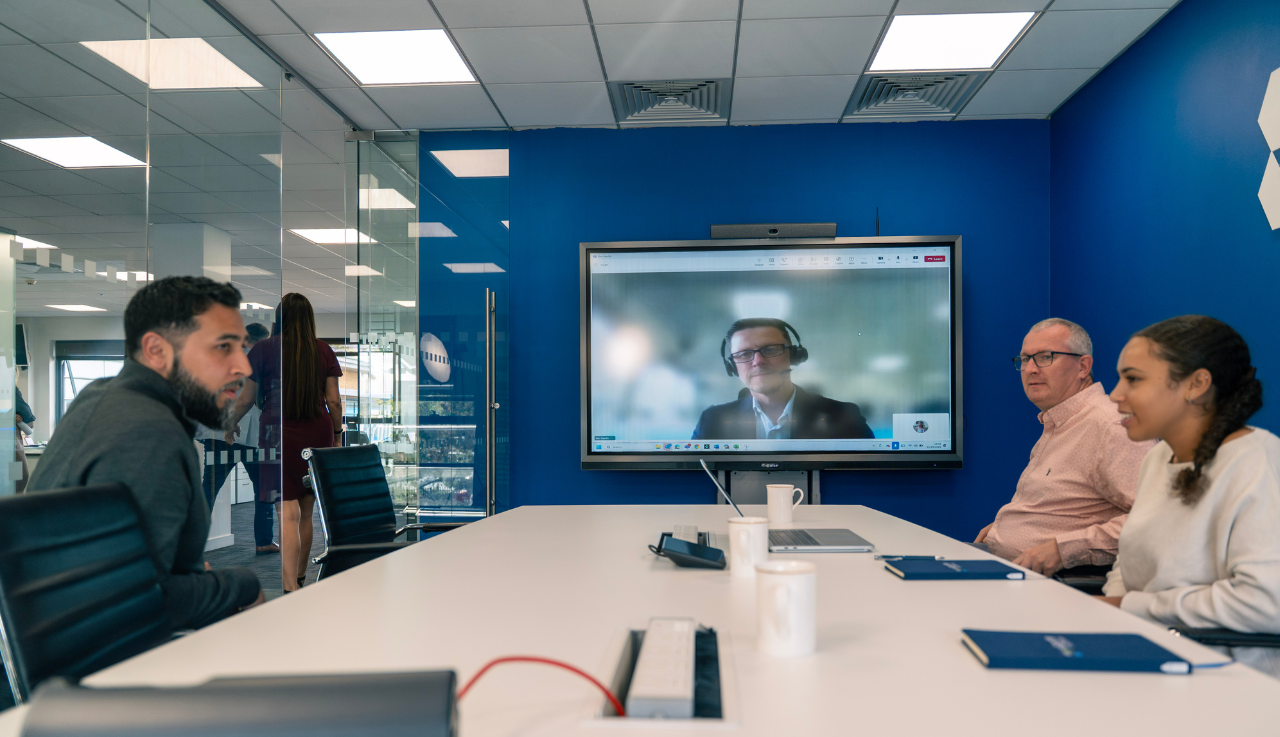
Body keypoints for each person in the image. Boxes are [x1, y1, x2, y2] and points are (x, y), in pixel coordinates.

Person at [27, 276, 263, 630]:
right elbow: (136, 599)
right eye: (222, 348)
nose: (243, 368)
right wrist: (241, 585)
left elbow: (126, 565)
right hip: (93, 667)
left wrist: (195, 575)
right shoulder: (149, 434)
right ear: (155, 350)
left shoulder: (103, 396)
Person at [1102, 315, 1280, 677]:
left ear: (1196, 384)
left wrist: (1132, 608)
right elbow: (1131, 564)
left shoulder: (1257, 463)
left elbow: (1266, 603)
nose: (1115, 394)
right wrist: (1107, 611)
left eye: (1133, 379)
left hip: (1228, 680)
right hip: (1149, 651)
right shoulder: (1156, 458)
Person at [976, 318, 1154, 575]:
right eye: (1025, 359)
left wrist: (1062, 549)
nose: (1031, 369)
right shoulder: (1059, 421)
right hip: (1007, 562)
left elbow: (1152, 520)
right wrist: (1004, 527)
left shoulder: (1112, 427)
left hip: (1051, 583)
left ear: (1083, 366)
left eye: (1045, 357)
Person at [230, 293, 343, 592]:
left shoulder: (263, 349)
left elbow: (246, 400)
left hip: (275, 434)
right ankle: (302, 578)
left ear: (278, 319)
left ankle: (289, 586)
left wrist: (230, 424)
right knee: (306, 512)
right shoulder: (323, 350)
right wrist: (337, 435)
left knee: (286, 512)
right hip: (315, 433)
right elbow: (333, 401)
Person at [692, 318, 873, 440]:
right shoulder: (712, 421)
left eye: (770, 349)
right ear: (732, 366)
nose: (758, 361)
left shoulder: (844, 416)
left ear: (793, 356)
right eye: (744, 354)